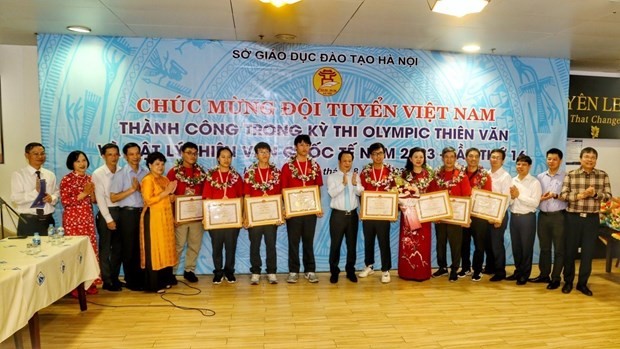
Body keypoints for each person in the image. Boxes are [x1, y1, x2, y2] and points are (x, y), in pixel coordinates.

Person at [560, 147, 612, 296]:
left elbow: (608, 196)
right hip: (573, 218)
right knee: (569, 251)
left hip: (591, 219)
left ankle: (582, 284)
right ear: (581, 159)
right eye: (587, 157)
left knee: (588, 253)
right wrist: (579, 196)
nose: (590, 160)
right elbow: (563, 195)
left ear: (596, 160)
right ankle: (568, 282)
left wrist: (595, 194)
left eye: (593, 157)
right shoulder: (571, 174)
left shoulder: (603, 175)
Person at [281, 135, 324, 284]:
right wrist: (285, 208)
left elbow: (317, 187)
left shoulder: (315, 166)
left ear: (310, 147)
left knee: (308, 241)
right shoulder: (287, 167)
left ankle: (310, 270)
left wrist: (318, 206)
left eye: (307, 145)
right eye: (301, 145)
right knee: (293, 242)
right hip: (294, 212)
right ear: (295, 147)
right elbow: (284, 189)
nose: (304, 148)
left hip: (310, 211)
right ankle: (293, 271)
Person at [428, 146, 471, 282]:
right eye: (446, 157)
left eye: (452, 157)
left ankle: (454, 269)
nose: (449, 159)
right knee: (440, 243)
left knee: (455, 244)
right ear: (442, 158)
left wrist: (466, 216)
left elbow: (467, 196)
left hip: (455, 217)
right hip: (440, 217)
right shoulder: (437, 175)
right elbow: (431, 194)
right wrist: (433, 214)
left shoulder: (461, 176)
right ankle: (442, 267)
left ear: (456, 158)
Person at [166, 142, 207, 283]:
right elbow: (168, 196)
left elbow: (206, 195)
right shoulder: (173, 172)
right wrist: (172, 216)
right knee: (177, 246)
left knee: (194, 245)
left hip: (196, 216)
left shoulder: (201, 173)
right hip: (180, 217)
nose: (192, 156)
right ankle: (172, 272)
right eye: (189, 152)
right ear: (182, 153)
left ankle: (189, 270)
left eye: (195, 153)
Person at [110, 143, 148, 291]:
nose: (135, 157)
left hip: (143, 213)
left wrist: (140, 190)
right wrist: (132, 190)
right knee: (129, 248)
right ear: (125, 157)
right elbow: (113, 197)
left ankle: (142, 278)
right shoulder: (120, 174)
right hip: (127, 213)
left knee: (142, 247)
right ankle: (131, 280)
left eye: (137, 153)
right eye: (131, 154)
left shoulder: (146, 173)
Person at [60, 150, 98, 295]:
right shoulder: (67, 179)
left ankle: (89, 284)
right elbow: (65, 202)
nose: (82, 164)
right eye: (78, 161)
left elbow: (93, 200)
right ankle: (75, 286)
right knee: (76, 253)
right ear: (72, 164)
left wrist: (93, 193)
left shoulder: (89, 178)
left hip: (87, 220)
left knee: (89, 252)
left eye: (84, 160)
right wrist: (84, 193)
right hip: (73, 221)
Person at [243, 142, 282, 285]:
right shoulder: (250, 173)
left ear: (270, 153)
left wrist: (280, 214)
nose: (264, 155)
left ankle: (271, 272)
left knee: (271, 244)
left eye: (267, 152)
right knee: (255, 245)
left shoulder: (276, 173)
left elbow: (280, 195)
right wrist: (246, 217)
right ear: (256, 155)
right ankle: (256, 272)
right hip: (255, 217)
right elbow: (246, 196)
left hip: (271, 216)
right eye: (261, 152)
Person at [358, 142, 398, 283]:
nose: (378, 156)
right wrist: (362, 209)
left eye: (380, 153)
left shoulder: (391, 171)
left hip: (384, 214)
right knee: (368, 241)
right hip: (369, 213)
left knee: (383, 242)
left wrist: (394, 211)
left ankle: (386, 270)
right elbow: (360, 192)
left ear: (384, 154)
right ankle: (369, 266)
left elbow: (396, 192)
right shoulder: (365, 172)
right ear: (370, 156)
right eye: (374, 154)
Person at [203, 147, 243, 284]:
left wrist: (241, 215)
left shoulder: (236, 176)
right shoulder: (211, 176)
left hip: (232, 219)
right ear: (218, 158)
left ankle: (229, 271)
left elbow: (241, 197)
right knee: (217, 247)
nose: (226, 160)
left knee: (231, 247)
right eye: (223, 156)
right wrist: (207, 218)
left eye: (229, 157)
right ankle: (218, 272)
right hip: (216, 219)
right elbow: (207, 197)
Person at [140, 151, 178, 292]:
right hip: (153, 219)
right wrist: (165, 193)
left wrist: (171, 197)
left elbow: (167, 197)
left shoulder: (164, 179)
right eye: (157, 164)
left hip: (166, 219)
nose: (160, 167)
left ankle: (165, 280)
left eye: (162, 164)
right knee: (155, 251)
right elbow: (148, 200)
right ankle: (153, 285)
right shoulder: (147, 180)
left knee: (165, 249)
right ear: (150, 165)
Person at [533, 148, 567, 290]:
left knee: (559, 249)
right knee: (544, 248)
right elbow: (536, 197)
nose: (551, 162)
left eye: (554, 159)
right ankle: (544, 275)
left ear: (560, 161)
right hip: (543, 216)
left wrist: (556, 196)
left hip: (559, 216)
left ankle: (556, 278)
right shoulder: (540, 177)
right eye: (549, 159)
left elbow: (569, 198)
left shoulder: (566, 177)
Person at [327, 150, 363, 283]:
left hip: (352, 215)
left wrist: (355, 184)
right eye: (344, 161)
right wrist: (343, 184)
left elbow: (361, 192)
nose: (347, 163)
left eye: (350, 161)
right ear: (339, 162)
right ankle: (334, 271)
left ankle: (350, 271)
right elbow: (332, 193)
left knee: (351, 245)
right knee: (335, 245)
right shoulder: (332, 177)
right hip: (338, 215)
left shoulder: (355, 176)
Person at [397, 147, 434, 281]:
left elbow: (434, 194)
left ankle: (422, 273)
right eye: (416, 157)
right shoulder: (404, 175)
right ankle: (406, 272)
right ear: (410, 159)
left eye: (421, 157)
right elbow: (399, 194)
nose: (419, 159)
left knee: (423, 244)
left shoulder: (430, 175)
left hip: (425, 215)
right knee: (408, 244)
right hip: (408, 215)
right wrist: (402, 205)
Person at [92, 143, 123, 291]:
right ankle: (107, 280)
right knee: (105, 248)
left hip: (121, 212)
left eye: (115, 154)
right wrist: (108, 219)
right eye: (109, 154)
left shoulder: (122, 171)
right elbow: (100, 198)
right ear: (103, 156)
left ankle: (115, 277)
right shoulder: (98, 173)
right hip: (107, 213)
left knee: (118, 248)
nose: (113, 157)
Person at [11, 142, 59, 236]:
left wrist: (52, 198)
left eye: (42, 153)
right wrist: (35, 192)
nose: (40, 156)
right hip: (29, 222)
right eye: (35, 154)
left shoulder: (50, 175)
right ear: (27, 155)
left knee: (51, 250)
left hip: (48, 221)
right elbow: (15, 199)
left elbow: (56, 193)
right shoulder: (19, 175)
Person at [507, 155, 542, 285]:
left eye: (524, 164)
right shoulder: (512, 180)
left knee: (526, 248)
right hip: (514, 217)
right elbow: (510, 201)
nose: (520, 167)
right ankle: (518, 271)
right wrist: (511, 197)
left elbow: (535, 203)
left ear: (529, 166)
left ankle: (525, 274)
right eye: (518, 164)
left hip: (527, 218)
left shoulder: (534, 182)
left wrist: (518, 195)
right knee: (516, 247)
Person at [459, 148, 492, 282]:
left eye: (476, 157)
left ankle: (477, 270)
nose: (473, 159)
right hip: (464, 214)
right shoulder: (460, 174)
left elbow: (488, 195)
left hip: (479, 215)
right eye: (470, 156)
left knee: (479, 245)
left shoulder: (484, 175)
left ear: (479, 159)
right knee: (463, 243)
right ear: (466, 158)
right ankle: (465, 267)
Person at [488, 149, 513, 282]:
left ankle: (500, 271)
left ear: (502, 160)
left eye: (498, 158)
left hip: (499, 215)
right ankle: (491, 267)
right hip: (486, 214)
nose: (495, 159)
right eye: (492, 157)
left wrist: (499, 217)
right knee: (489, 243)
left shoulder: (505, 176)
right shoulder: (486, 174)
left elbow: (506, 199)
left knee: (497, 244)